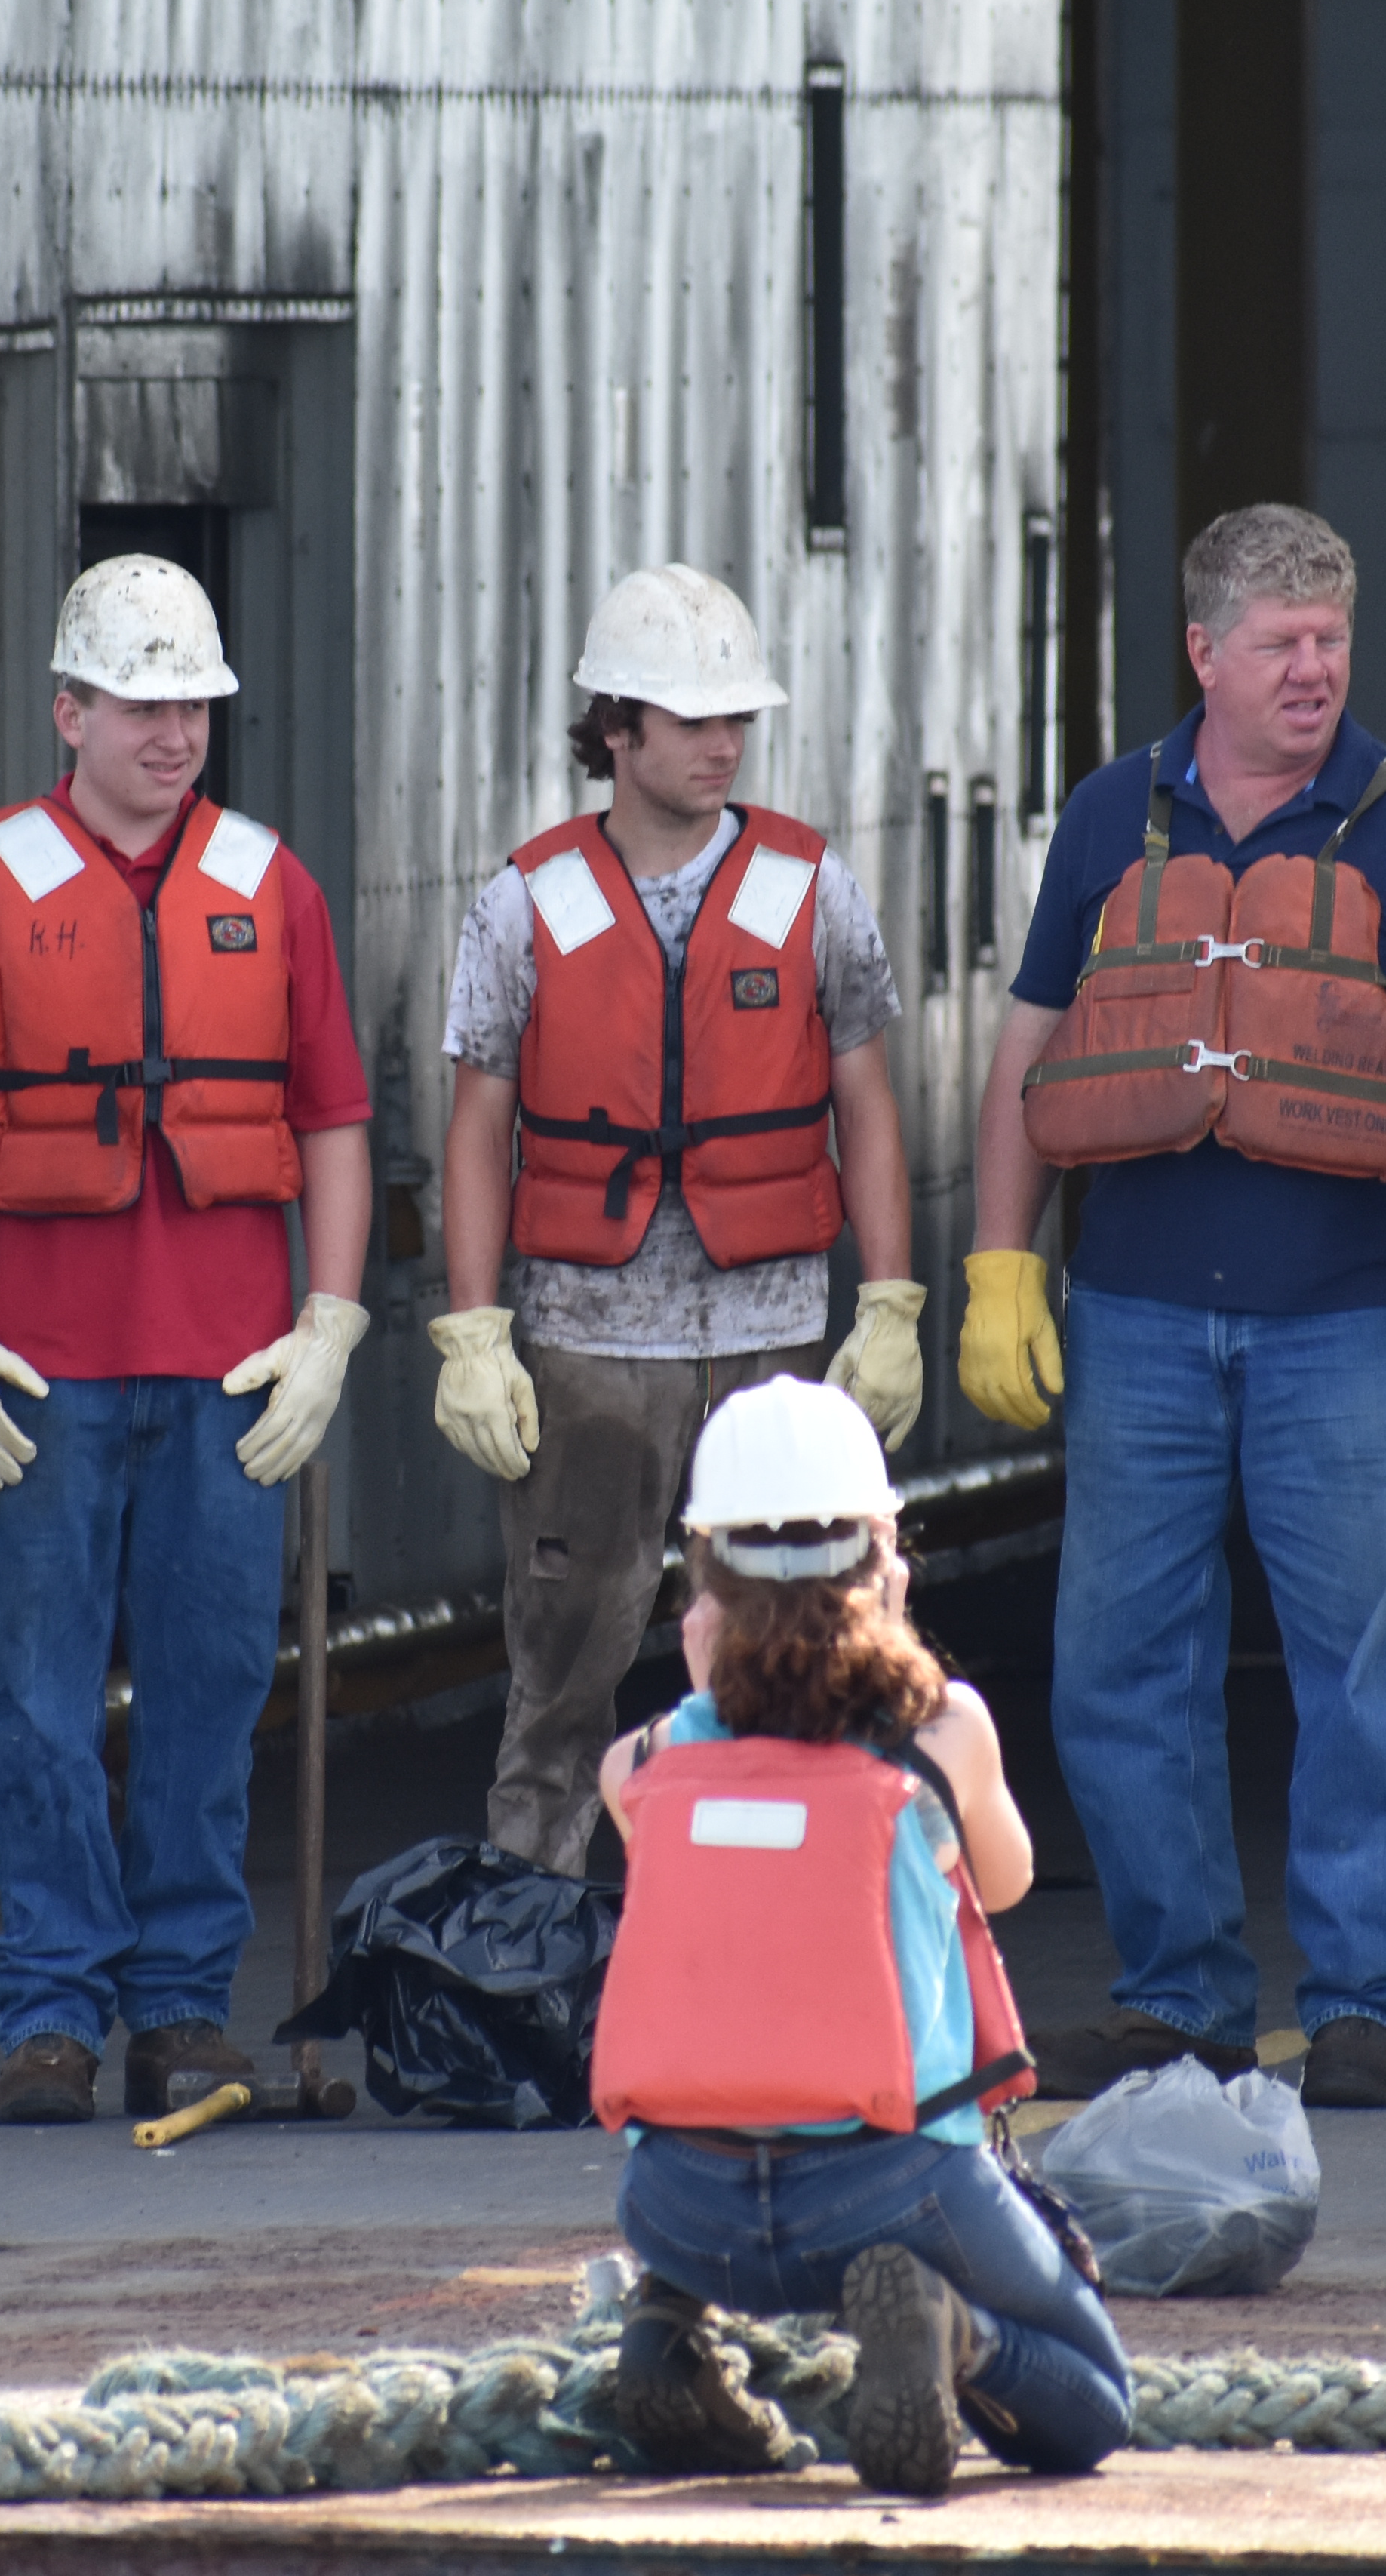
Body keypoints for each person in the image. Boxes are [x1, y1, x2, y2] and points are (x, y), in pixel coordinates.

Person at [959, 503, 1386, 2114]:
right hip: (1140, 1320)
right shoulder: (1110, 816)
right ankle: (1179, 1996)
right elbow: (1028, 1050)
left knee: (1365, 1669)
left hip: (1350, 1322)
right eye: (1282, 643)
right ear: (1203, 653)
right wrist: (1001, 1264)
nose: (1313, 670)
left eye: (1333, 642)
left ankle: (1364, 2002)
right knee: (1116, 1666)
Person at [0, 555, 377, 2124]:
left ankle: (178, 2003)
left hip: (229, 1367)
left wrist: (331, 1320)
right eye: (145, 702)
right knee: (28, 1692)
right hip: (32, 1365)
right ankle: (49, 2008)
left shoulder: (273, 883)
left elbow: (336, 1119)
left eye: (196, 704)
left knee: (214, 1684)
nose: (176, 732)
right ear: (69, 711)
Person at [427, 565, 920, 1874]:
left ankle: (801, 1944)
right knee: (560, 1689)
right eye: (692, 719)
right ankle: (530, 1956)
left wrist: (890, 1304)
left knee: (804, 1670)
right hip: (587, 1351)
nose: (723, 744)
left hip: (770, 1349)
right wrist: (473, 1333)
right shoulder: (525, 903)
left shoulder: (812, 889)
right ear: (615, 729)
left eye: (736, 720)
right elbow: (477, 1124)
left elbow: (867, 1103)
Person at [589, 1377, 1129, 2498]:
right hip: (890, 2190)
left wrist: (706, 1702)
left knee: (712, 2174)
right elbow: (1008, 1882)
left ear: (703, 1583)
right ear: (885, 1563)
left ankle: (668, 2324)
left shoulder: (639, 1769)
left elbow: (706, 1886)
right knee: (1091, 2394)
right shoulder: (943, 1741)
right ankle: (945, 2328)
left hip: (679, 2202)